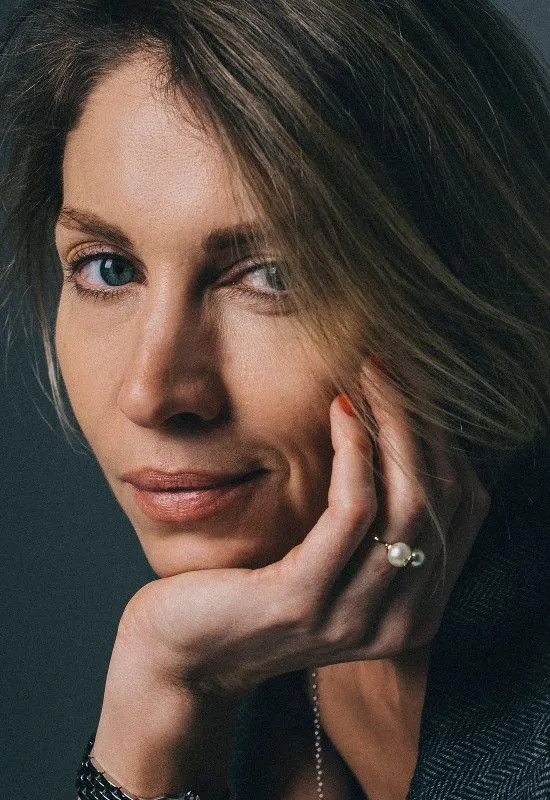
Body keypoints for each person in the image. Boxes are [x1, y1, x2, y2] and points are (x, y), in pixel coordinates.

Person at [1, 0, 549, 798]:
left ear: (460, 283)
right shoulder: (242, 656)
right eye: (108, 268)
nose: (152, 393)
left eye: (274, 275)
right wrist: (160, 692)